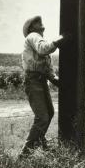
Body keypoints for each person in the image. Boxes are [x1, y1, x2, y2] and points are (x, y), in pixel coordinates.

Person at [19, 15, 68, 157]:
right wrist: (60, 39)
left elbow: (48, 69)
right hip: (33, 81)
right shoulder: (33, 36)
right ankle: (25, 153)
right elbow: (43, 49)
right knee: (42, 118)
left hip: (40, 81)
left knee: (49, 113)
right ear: (32, 27)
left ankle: (42, 142)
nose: (43, 26)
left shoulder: (38, 40)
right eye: (39, 23)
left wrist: (58, 81)